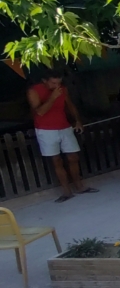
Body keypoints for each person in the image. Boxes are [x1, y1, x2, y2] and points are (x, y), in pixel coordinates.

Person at [27, 70, 98, 202]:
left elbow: (70, 105)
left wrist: (77, 120)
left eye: (58, 83)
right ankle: (66, 191)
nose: (56, 85)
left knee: (73, 157)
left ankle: (79, 186)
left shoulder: (62, 89)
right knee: (56, 160)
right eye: (53, 83)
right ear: (45, 81)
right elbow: (40, 112)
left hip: (64, 126)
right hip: (46, 129)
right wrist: (53, 97)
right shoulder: (34, 91)